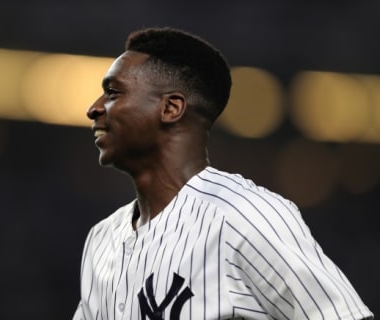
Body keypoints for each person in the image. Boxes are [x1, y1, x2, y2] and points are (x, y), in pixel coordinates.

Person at [73, 27, 373, 320]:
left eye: (113, 93)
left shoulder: (244, 214)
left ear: (171, 108)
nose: (94, 109)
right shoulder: (102, 239)